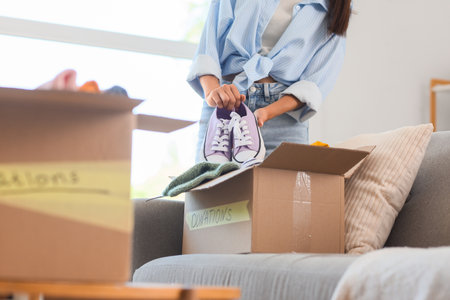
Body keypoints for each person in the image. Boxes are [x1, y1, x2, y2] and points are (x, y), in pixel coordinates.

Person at [187, 0, 351, 161]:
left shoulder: (334, 5)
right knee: (211, 185)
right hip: (225, 106)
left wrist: (266, 113)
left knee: (280, 188)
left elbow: (315, 81)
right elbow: (209, 45)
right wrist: (212, 92)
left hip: (283, 120)